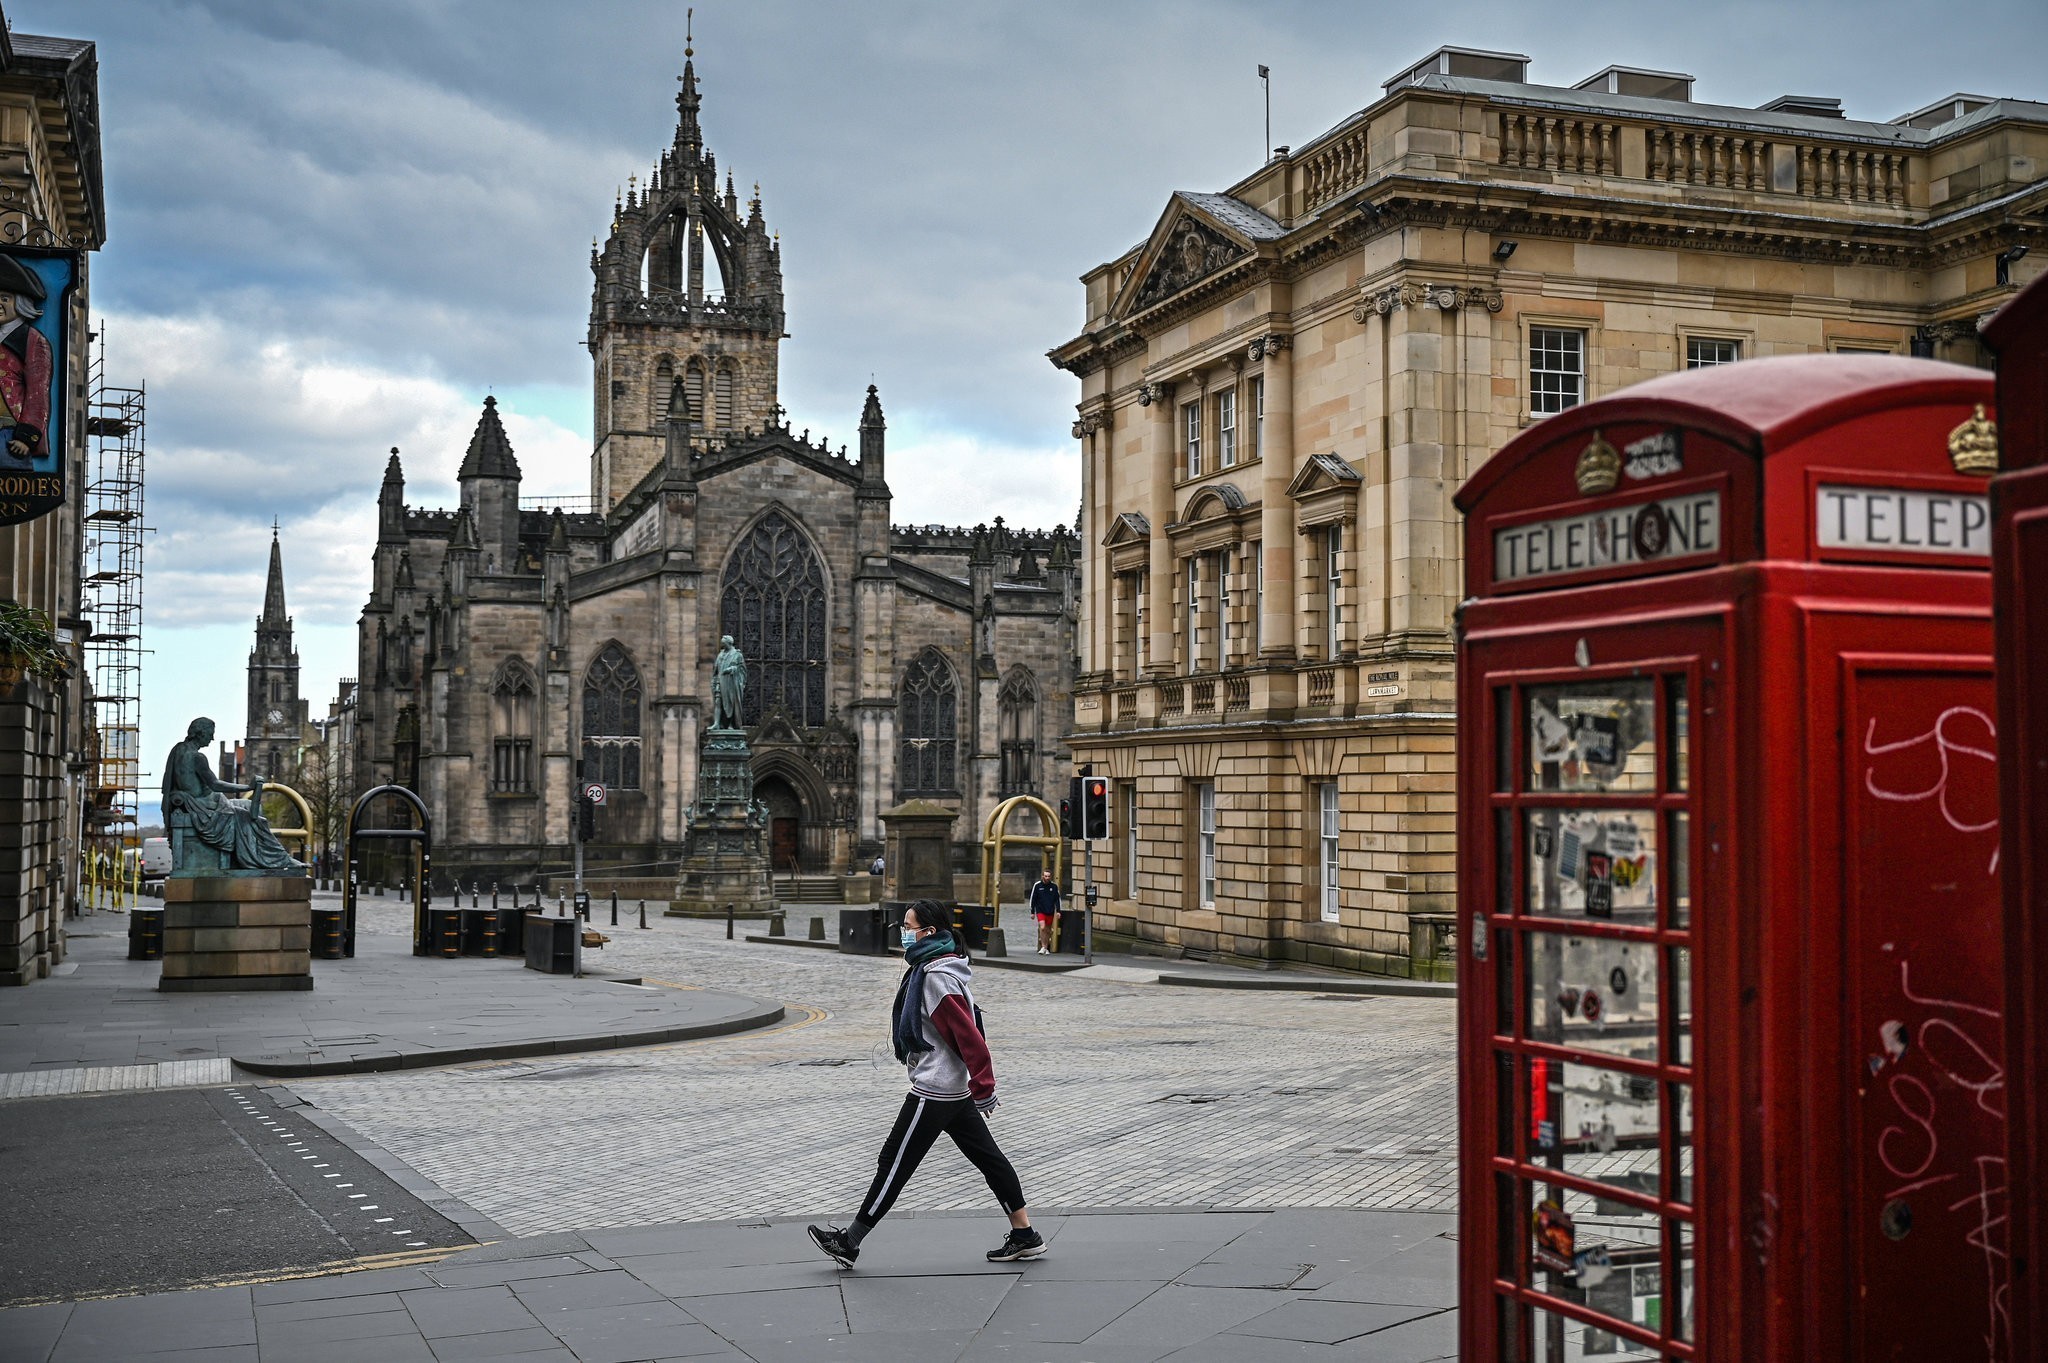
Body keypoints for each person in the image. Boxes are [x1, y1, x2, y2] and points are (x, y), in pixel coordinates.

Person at [808, 899, 1044, 1268]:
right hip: (953, 1088)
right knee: (990, 1160)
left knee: (893, 1163)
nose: (903, 933)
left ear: (928, 932)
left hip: (935, 1090)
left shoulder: (935, 976)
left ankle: (849, 1242)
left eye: (908, 926)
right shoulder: (937, 967)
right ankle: (1025, 1234)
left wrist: (984, 1087)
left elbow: (970, 1035)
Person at [161, 717, 306, 874]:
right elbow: (215, 784)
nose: (212, 738)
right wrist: (248, 786)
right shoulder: (197, 757)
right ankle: (276, 859)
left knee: (249, 806)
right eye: (210, 733)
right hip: (205, 805)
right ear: (201, 733)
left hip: (200, 802)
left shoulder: (178, 750)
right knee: (251, 817)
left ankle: (273, 858)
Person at [0, 254, 53, 472]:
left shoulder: (33, 340)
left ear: (20, 303)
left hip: (8, 433)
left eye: (4, 298)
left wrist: (26, 436)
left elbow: (38, 393)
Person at [1028, 867, 1062, 955]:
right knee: (1042, 927)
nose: (1047, 878)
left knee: (1048, 930)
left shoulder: (1054, 886)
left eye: (1048, 876)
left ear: (1050, 877)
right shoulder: (1037, 885)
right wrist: (1032, 912)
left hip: (1050, 910)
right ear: (1042, 876)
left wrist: (1058, 911)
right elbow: (1033, 898)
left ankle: (1046, 947)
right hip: (1040, 910)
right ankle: (1043, 946)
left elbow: (1057, 899)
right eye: (1045, 876)